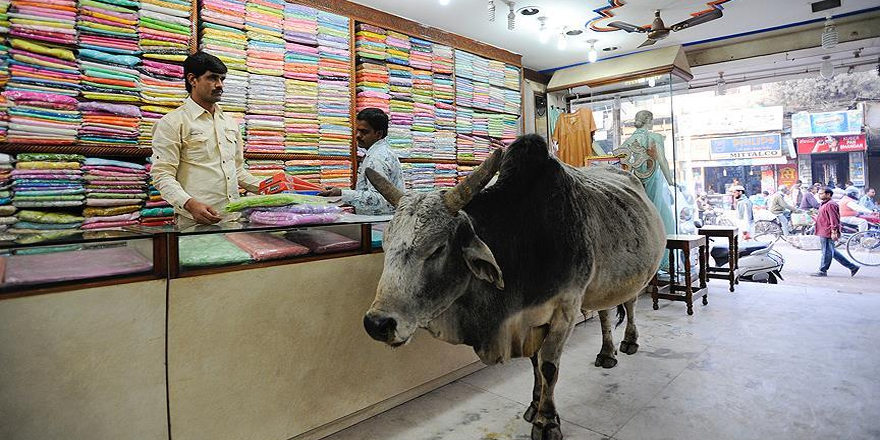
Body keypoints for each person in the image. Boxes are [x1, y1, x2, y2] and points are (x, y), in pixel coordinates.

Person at [151, 52, 264, 227]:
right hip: (195, 222)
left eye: (222, 79)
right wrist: (189, 204)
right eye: (212, 78)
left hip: (234, 219)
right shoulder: (173, 123)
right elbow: (162, 175)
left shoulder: (230, 123)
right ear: (192, 79)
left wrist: (273, 189)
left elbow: (237, 171)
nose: (219, 85)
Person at [613, 110, 675, 270]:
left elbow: (620, 163)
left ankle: (646, 263)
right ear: (649, 120)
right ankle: (663, 262)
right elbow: (662, 160)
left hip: (636, 183)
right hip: (653, 180)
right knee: (664, 220)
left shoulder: (628, 141)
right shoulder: (655, 138)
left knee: (642, 220)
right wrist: (670, 180)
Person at [318, 108, 404, 215]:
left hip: (380, 222)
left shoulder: (377, 158)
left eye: (364, 132)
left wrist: (342, 193)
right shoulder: (379, 152)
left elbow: (379, 199)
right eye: (357, 130)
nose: (358, 135)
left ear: (378, 134)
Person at [812, 187, 859, 277]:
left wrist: (834, 231)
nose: (819, 195)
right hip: (823, 230)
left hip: (827, 231)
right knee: (831, 251)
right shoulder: (824, 204)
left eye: (821, 193)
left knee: (826, 252)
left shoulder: (831, 204)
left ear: (828, 194)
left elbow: (834, 219)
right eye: (819, 193)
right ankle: (852, 267)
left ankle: (823, 270)